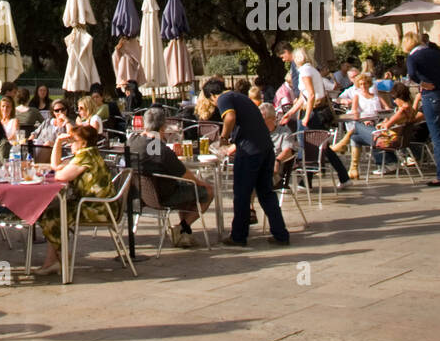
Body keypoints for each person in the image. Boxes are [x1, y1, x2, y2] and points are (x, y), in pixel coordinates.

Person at [203, 78, 289, 246]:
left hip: (250, 152)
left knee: (242, 194)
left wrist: (223, 138)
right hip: (265, 148)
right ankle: (281, 234)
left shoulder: (224, 99)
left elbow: (230, 117)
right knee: (266, 193)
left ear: (212, 95)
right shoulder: (240, 97)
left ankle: (238, 236)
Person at [130, 107, 214, 248]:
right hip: (164, 196)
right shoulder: (160, 149)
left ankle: (184, 234)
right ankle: (181, 228)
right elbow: (185, 174)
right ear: (163, 126)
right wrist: (201, 183)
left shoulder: (133, 140)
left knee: (188, 191)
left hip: (140, 195)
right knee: (207, 191)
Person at [36, 124, 113, 275]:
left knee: (50, 215)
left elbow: (59, 175)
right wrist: (58, 141)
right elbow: (56, 165)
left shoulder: (85, 156)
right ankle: (53, 261)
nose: (70, 143)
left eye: (73, 140)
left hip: (97, 209)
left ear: (83, 143)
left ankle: (62, 257)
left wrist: (58, 145)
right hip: (100, 205)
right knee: (52, 213)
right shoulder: (89, 154)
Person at [280, 49, 351, 189]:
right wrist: (291, 112)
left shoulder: (305, 72)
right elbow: (304, 96)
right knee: (319, 146)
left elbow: (310, 95)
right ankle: (341, 177)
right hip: (315, 111)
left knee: (310, 146)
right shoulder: (311, 70)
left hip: (312, 112)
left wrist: (305, 117)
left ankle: (307, 182)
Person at [329, 71, 388, 177]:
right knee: (357, 132)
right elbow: (355, 112)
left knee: (355, 134)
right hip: (364, 123)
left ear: (369, 84)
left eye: (365, 83)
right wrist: (364, 119)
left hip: (377, 124)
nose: (363, 86)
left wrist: (384, 120)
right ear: (358, 85)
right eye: (361, 84)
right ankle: (353, 169)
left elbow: (388, 110)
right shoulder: (357, 96)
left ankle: (344, 145)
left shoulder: (376, 96)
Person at [403, 31, 440, 187]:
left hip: (431, 95)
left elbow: (411, 74)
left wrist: (421, 83)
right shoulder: (435, 52)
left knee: (437, 136)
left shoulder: (413, 57)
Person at [260, 104, 297, 187]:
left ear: (272, 118)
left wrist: (277, 161)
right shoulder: (257, 131)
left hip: (275, 171)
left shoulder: (284, 132)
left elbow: (288, 151)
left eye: (262, 119)